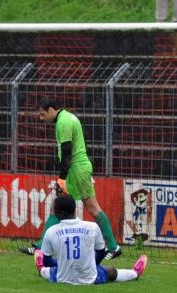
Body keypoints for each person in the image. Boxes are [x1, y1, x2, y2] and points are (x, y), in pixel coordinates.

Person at [21, 98, 122, 260]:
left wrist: (62, 178)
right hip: (80, 167)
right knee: (81, 207)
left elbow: (67, 152)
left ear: (52, 110)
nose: (41, 118)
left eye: (42, 114)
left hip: (76, 169)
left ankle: (41, 249)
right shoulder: (68, 117)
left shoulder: (63, 123)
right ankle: (113, 246)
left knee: (69, 207)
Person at [33, 195, 148, 285]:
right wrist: (91, 265)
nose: (52, 212)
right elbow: (101, 253)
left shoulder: (51, 231)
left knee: (50, 270)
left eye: (53, 209)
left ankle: (41, 269)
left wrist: (63, 264)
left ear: (61, 213)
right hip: (88, 278)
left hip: (62, 278)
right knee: (110, 271)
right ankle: (135, 273)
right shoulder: (92, 227)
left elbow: (47, 261)